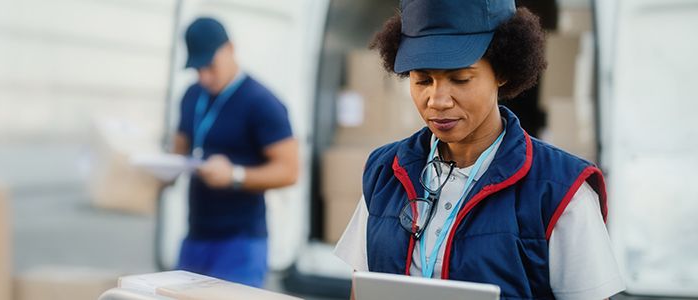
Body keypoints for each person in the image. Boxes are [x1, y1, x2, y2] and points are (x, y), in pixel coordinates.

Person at [333, 0, 625, 299]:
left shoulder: (562, 190)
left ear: (502, 71)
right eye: (422, 80)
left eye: (460, 79)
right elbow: (362, 288)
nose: (437, 100)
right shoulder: (385, 171)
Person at [171, 17, 300, 288]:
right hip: (195, 236)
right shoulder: (192, 96)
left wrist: (235, 175)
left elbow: (289, 171)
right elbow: (178, 150)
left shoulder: (262, 102)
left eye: (210, 65)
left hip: (241, 242)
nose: (204, 76)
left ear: (230, 48)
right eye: (198, 69)